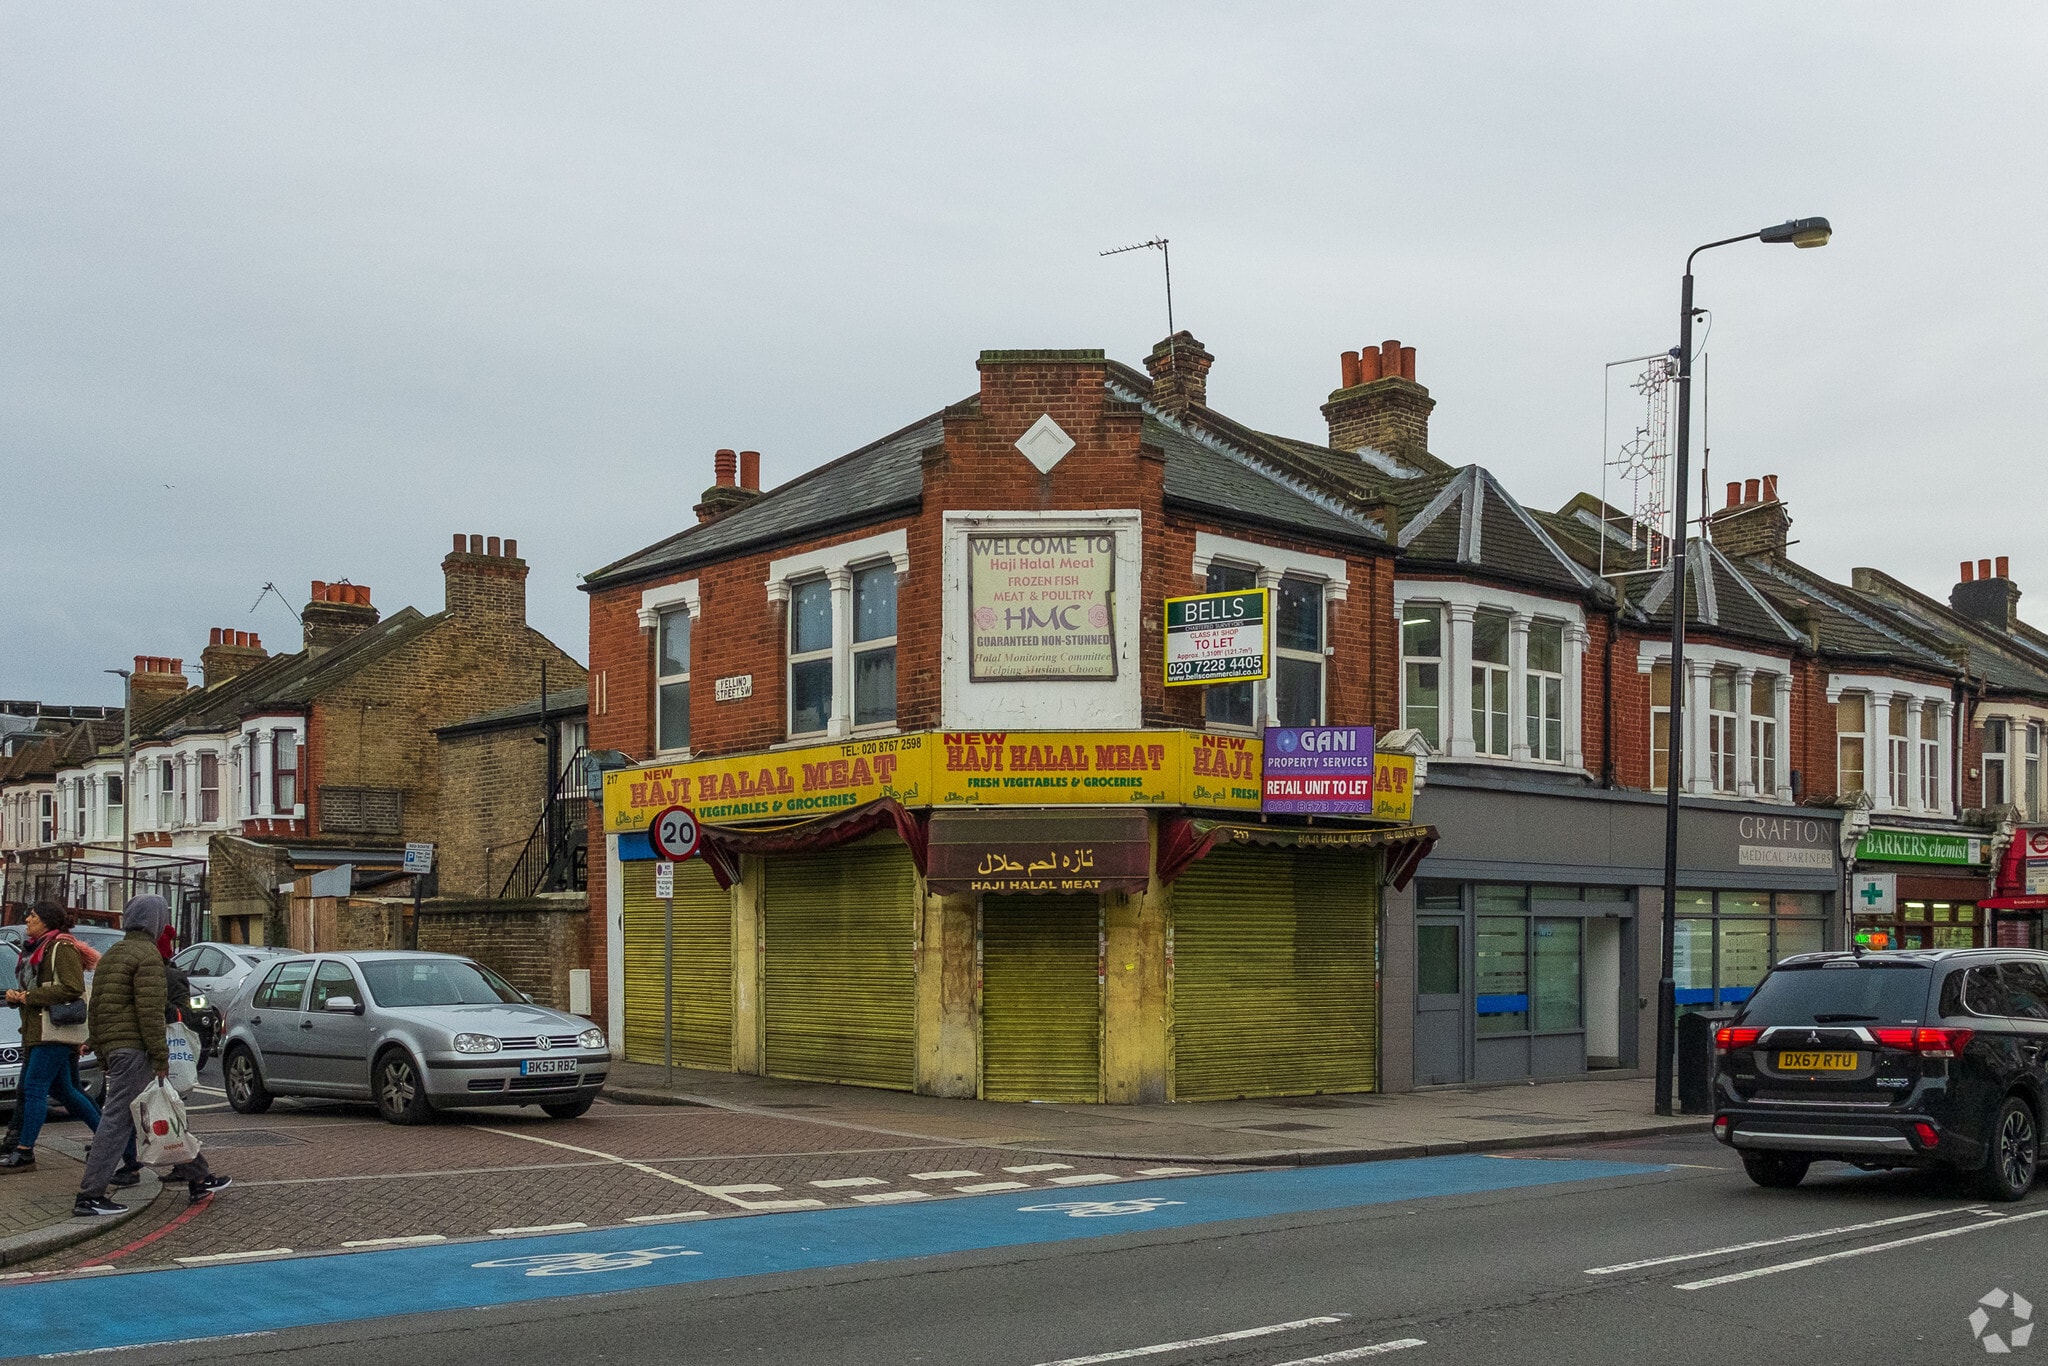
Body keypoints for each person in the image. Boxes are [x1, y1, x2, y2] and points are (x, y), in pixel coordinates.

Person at [74, 895, 229, 1216]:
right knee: (117, 1121)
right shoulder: (147, 957)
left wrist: (101, 1048)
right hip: (136, 1051)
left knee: (163, 1111)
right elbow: (150, 1013)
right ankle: (90, 1195)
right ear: (156, 921)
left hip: (118, 1049)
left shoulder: (114, 954)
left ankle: (199, 1177)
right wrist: (160, 1058)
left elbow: (98, 1007)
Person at [1, 902, 107, 1174]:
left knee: (35, 1087)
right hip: (40, 1030)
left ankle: (24, 1152)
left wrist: (29, 997)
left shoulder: (62, 947)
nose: (27, 920)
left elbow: (72, 987)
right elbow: (38, 987)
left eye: (33, 916)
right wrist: (17, 997)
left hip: (54, 1032)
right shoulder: (38, 948)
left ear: (46, 920)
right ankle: (110, 1138)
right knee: (66, 1090)